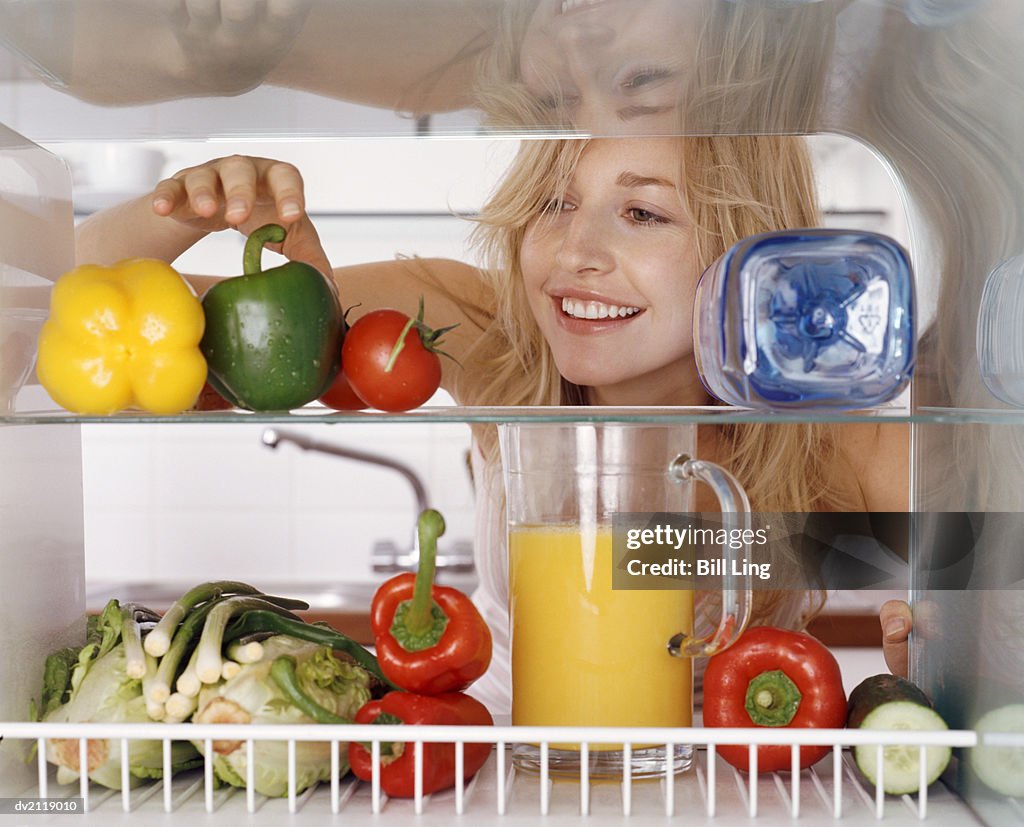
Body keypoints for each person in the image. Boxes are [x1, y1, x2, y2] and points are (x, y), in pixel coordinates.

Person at [76, 133, 910, 713]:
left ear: (753, 247)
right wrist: (182, 211)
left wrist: (930, 646)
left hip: (737, 791)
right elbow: (68, 303)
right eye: (554, 202)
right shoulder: (488, 332)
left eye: (644, 214)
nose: (573, 250)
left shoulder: (826, 432)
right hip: (508, 776)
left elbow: (989, 557)